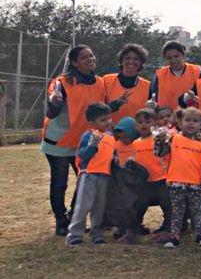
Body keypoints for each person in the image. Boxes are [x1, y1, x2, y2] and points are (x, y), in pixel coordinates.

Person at [42, 45, 108, 236]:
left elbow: (99, 110)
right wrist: (54, 102)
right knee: (60, 182)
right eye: (84, 57)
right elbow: (51, 111)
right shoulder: (60, 82)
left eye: (92, 55)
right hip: (59, 141)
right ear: (74, 62)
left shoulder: (100, 82)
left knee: (85, 181)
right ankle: (60, 221)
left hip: (85, 141)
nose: (90, 59)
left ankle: (73, 216)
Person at [154, 107, 201, 248]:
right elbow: (160, 152)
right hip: (176, 184)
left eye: (195, 121)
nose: (191, 123)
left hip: (195, 184)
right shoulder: (173, 139)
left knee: (197, 211)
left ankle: (200, 235)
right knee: (177, 212)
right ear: (179, 122)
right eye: (187, 120)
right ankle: (174, 237)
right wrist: (159, 139)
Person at [65, 102, 115, 245]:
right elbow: (81, 154)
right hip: (89, 174)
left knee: (100, 207)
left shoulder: (110, 136)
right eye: (103, 120)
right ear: (92, 122)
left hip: (104, 175)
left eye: (109, 118)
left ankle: (97, 233)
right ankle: (74, 234)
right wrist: (92, 145)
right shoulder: (89, 135)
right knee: (83, 206)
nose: (107, 122)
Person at [131, 108, 172, 238]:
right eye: (140, 122)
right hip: (144, 182)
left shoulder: (158, 139)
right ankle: (135, 228)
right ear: (136, 125)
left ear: (154, 123)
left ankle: (169, 229)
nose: (144, 124)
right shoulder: (135, 143)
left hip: (161, 179)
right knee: (139, 206)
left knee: (167, 206)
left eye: (147, 121)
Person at [148, 40, 201, 110]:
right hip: (165, 118)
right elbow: (154, 98)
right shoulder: (159, 75)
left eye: (176, 56)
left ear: (183, 55)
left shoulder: (198, 71)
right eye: (169, 58)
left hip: (189, 118)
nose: (173, 60)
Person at [103, 44, 152, 124]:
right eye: (127, 58)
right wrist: (115, 104)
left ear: (141, 63)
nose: (131, 61)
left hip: (137, 133)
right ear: (121, 61)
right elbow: (99, 109)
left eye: (136, 59)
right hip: (110, 132)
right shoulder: (106, 81)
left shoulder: (147, 86)